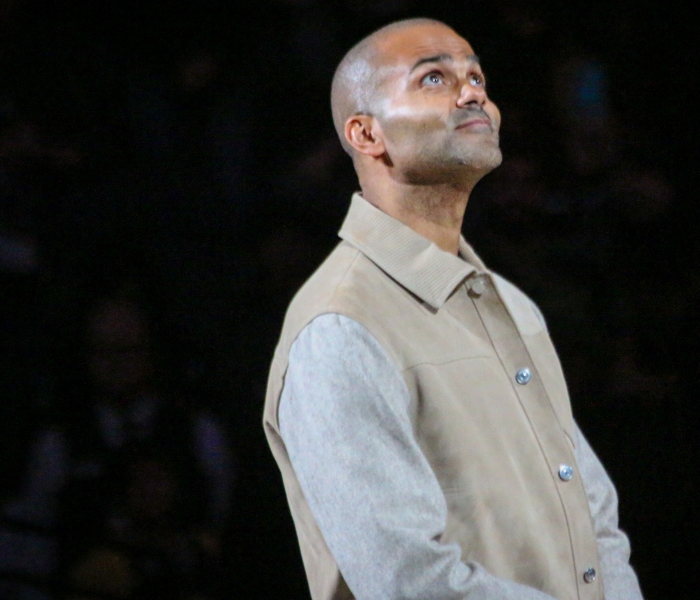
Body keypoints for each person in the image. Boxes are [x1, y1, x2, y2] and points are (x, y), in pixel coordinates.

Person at [261, 18, 642, 600]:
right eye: (434, 78)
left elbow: (592, 518)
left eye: (476, 77)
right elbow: (406, 583)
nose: (472, 93)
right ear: (366, 135)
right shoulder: (341, 327)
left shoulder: (512, 305)